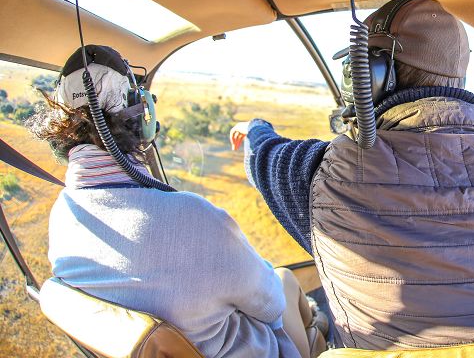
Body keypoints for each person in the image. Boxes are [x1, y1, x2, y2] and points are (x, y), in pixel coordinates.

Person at [231, 0, 474, 350]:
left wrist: (254, 127)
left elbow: (264, 157)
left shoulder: (328, 178)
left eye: (354, 69)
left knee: (284, 287)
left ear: (373, 75)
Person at [28, 45, 318, 358]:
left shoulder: (63, 216)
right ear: (143, 118)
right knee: (285, 280)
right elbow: (270, 305)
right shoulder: (192, 217)